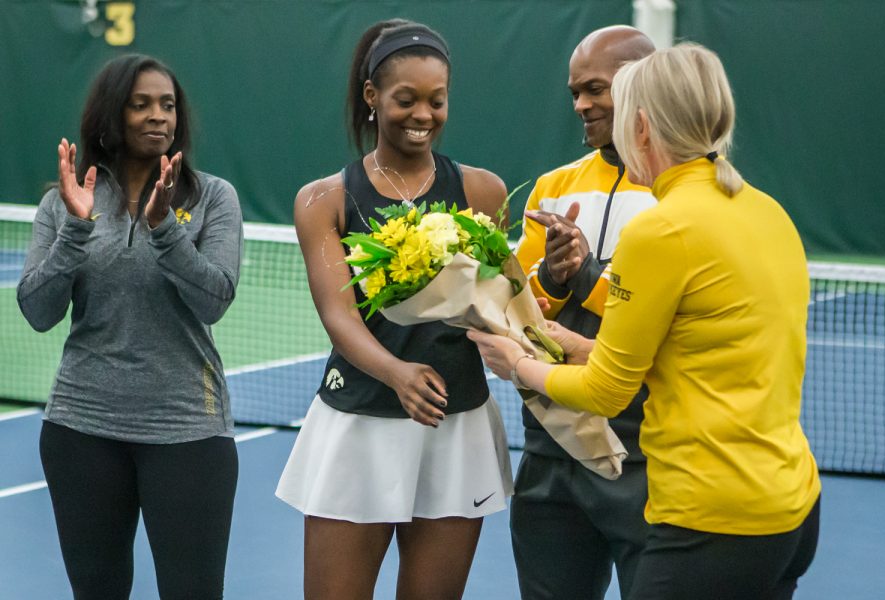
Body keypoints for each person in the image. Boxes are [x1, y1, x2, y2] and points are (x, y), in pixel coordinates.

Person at [469, 43, 821, 600]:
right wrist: (580, 345)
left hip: (711, 516)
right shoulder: (768, 211)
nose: (584, 108)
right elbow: (698, 348)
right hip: (791, 507)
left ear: (641, 125)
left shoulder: (661, 231)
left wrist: (517, 364)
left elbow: (608, 391)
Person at [275, 19, 513, 600]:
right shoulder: (324, 199)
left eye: (437, 100)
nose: (423, 114)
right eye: (406, 100)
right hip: (358, 423)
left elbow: (505, 298)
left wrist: (550, 275)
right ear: (372, 97)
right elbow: (339, 316)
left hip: (455, 425)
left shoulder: (483, 191)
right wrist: (396, 374)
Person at [17, 54, 243, 599]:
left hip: (188, 431)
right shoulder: (62, 202)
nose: (156, 116)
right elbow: (37, 311)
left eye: (167, 105)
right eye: (139, 104)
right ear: (109, 116)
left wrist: (164, 229)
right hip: (80, 429)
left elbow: (214, 299)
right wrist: (75, 227)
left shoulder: (214, 197)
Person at [511, 25, 655, 599]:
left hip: (645, 454)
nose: (580, 104)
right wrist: (550, 275)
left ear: (640, 83)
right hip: (552, 444)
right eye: (575, 91)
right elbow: (520, 309)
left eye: (595, 88)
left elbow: (658, 319)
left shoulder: (680, 188)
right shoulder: (551, 187)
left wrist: (588, 276)